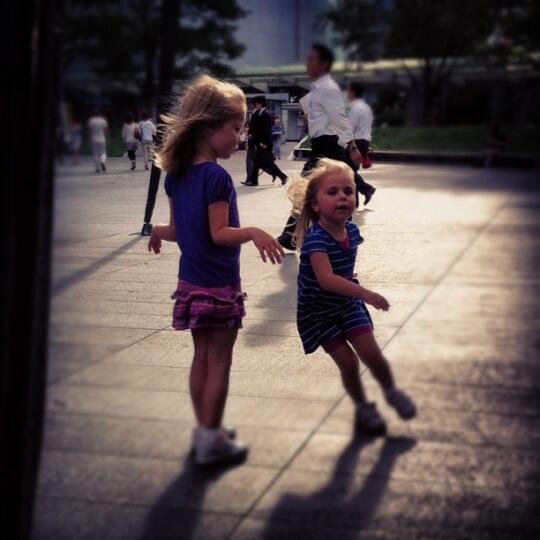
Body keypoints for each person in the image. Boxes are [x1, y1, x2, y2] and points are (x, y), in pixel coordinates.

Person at [147, 75, 285, 467]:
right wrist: (256, 232)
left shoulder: (176, 176)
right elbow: (220, 234)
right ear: (209, 127)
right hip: (219, 286)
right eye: (236, 128)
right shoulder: (216, 177)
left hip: (190, 284)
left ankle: (205, 432)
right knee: (220, 361)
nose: (240, 137)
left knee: (201, 358)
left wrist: (158, 231)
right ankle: (211, 441)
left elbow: (177, 230)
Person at [293, 158, 416, 434]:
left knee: (373, 355)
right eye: (332, 192)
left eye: (348, 191)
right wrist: (365, 293)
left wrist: (357, 294)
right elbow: (326, 280)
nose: (343, 197)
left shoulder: (351, 229)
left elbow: (345, 270)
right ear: (315, 204)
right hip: (318, 313)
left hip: (347, 305)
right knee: (348, 363)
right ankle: (363, 407)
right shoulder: (316, 239)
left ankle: (392, 392)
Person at [277, 44, 376, 251]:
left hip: (328, 146)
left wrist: (352, 146)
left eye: (312, 59)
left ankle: (296, 235)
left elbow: (340, 119)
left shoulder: (328, 89)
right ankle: (292, 234)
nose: (307, 63)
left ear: (324, 64)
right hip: (321, 145)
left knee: (307, 190)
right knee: (309, 191)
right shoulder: (318, 90)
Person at [241, 96, 288, 186]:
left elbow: (266, 131)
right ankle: (255, 181)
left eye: (256, 103)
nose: (255, 105)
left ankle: (282, 177)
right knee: (259, 162)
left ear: (260, 103)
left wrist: (264, 143)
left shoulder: (266, 114)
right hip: (260, 142)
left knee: (266, 163)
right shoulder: (259, 113)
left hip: (265, 143)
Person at [348, 82, 374, 169]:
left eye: (348, 92)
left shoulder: (355, 108)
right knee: (353, 170)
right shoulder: (367, 107)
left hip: (355, 143)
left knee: (349, 170)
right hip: (365, 143)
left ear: (352, 92)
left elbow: (350, 130)